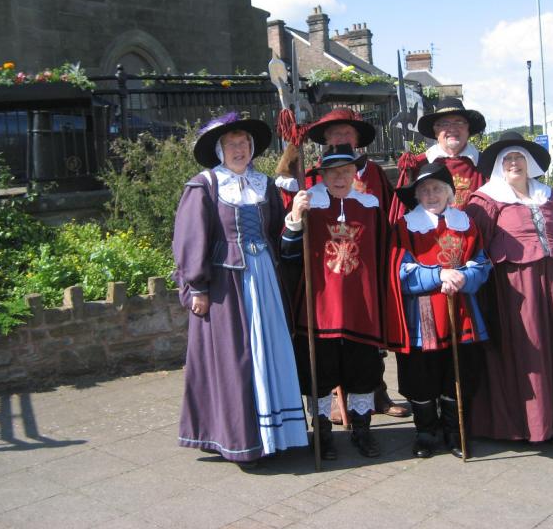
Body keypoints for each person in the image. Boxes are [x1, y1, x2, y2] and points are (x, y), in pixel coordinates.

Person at [172, 112, 308, 467]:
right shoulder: (203, 186)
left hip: (265, 279)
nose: (239, 149)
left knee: (271, 352)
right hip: (226, 286)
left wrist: (294, 222)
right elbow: (191, 240)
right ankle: (239, 437)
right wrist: (196, 287)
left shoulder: (264, 184)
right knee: (236, 358)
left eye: (244, 143)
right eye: (232, 144)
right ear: (219, 150)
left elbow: (280, 236)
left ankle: (275, 433)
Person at [465, 131, 553, 443]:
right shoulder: (485, 200)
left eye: (519, 157)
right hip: (515, 288)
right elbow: (474, 246)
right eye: (508, 158)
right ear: (500, 165)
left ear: (529, 163)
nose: (514, 162)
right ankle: (527, 424)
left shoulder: (548, 195)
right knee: (527, 349)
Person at [276, 108, 408, 420]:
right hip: (325, 287)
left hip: (361, 283)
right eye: (335, 134)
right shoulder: (309, 180)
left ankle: (376, 397)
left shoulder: (373, 174)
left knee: (364, 353)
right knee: (324, 358)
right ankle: (332, 407)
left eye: (348, 133)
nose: (342, 137)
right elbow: (293, 231)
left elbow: (388, 220)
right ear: (326, 140)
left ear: (357, 139)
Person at [281, 144, 388, 460]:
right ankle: (323, 431)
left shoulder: (369, 206)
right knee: (320, 373)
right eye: (333, 172)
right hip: (321, 306)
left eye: (346, 171)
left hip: (360, 306)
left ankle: (362, 429)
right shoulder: (310, 203)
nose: (340, 177)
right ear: (323, 174)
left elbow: (383, 254)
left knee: (363, 370)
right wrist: (296, 217)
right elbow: (288, 253)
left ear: (355, 173)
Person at [386, 163, 492, 458]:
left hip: (462, 312)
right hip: (423, 318)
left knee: (459, 373)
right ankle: (425, 433)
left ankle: (455, 431)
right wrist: (438, 275)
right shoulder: (405, 226)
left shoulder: (467, 224)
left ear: (449, 193)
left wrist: (463, 277)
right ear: (417, 196)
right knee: (422, 376)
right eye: (424, 190)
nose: (431, 195)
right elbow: (400, 271)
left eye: (436, 189)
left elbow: (482, 263)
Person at [389, 97, 487, 222]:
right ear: (435, 131)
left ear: (468, 129)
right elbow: (400, 214)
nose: (452, 128)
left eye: (459, 122)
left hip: (474, 238)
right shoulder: (417, 165)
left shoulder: (485, 164)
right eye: (444, 124)